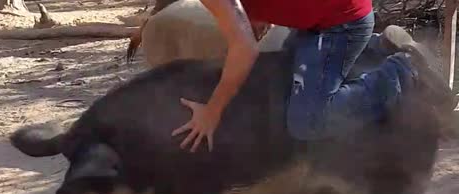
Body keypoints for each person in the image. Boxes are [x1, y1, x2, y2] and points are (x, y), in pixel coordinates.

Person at [171, 0, 443, 152]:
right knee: (282, 77)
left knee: (308, 121)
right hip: (324, 15)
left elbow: (244, 50)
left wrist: (212, 111)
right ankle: (377, 46)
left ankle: (402, 69)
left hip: (339, 24)